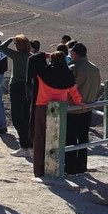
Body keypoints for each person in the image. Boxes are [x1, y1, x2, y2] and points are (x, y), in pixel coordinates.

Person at [31, 51, 82, 179]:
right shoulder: (68, 73)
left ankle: (39, 170)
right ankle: (55, 168)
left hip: (42, 106)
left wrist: (46, 55)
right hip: (60, 109)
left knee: (40, 138)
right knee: (57, 139)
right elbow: (74, 91)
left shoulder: (44, 71)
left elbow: (33, 59)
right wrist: (79, 103)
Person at [65, 42, 101, 175]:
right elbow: (98, 87)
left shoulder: (72, 68)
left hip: (73, 109)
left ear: (74, 54)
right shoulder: (94, 68)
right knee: (83, 138)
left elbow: (67, 88)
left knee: (70, 139)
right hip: (88, 108)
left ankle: (70, 168)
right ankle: (81, 167)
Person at [0, 34, 33, 156]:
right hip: (28, 87)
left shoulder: (17, 56)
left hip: (17, 87)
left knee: (17, 118)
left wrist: (10, 39)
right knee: (27, 116)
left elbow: (2, 47)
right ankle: (30, 145)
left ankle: (24, 146)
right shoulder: (31, 56)